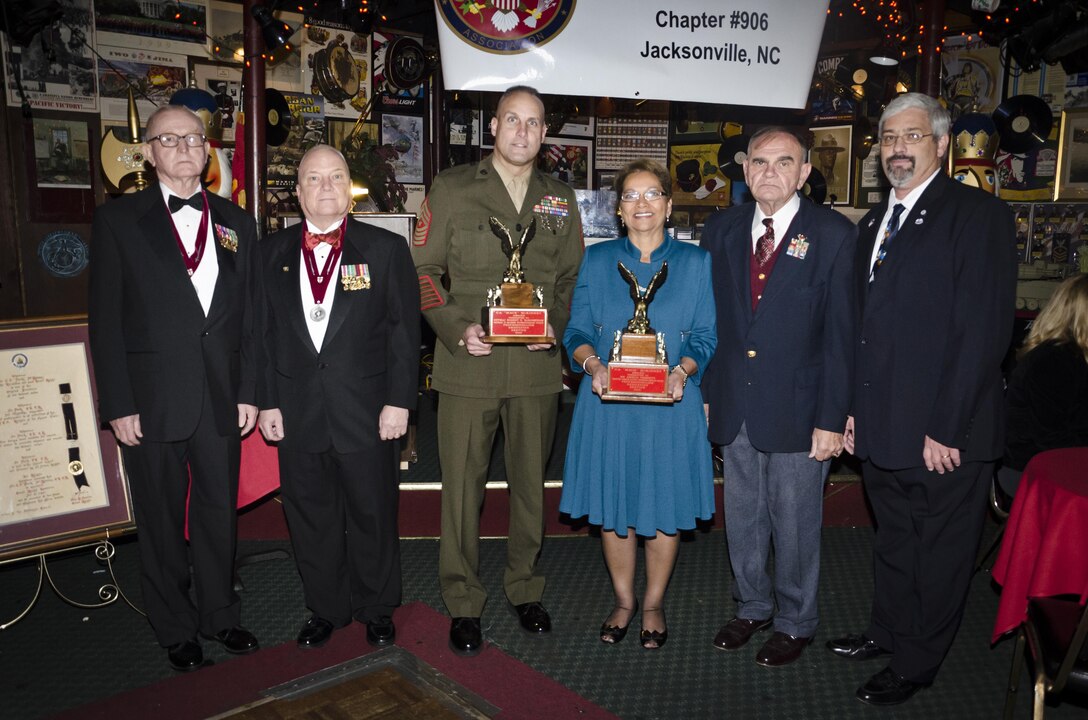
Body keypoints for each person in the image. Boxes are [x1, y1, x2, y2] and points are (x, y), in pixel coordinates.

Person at [831, 92, 1018, 705]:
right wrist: (851, 412)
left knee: (939, 553)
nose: (897, 149)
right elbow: (865, 329)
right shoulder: (874, 225)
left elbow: (982, 332)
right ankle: (886, 632)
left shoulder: (977, 216)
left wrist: (948, 427)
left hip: (945, 434)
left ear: (940, 144)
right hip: (882, 425)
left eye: (911, 137)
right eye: (888, 139)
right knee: (893, 538)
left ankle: (917, 663)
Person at [412, 85, 583, 656]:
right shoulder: (454, 188)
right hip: (469, 366)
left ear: (543, 133)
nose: (522, 132)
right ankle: (463, 598)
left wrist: (555, 325)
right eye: (513, 120)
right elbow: (424, 272)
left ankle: (524, 586)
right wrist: (458, 328)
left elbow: (569, 282)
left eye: (534, 123)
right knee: (461, 489)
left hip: (535, 370)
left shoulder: (560, 199)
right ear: (493, 127)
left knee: (531, 487)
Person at [88, 105, 260, 671]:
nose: (185, 147)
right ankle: (174, 627)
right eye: (170, 139)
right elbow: (105, 322)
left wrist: (249, 390)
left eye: (194, 138)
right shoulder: (118, 221)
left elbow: (250, 319)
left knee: (217, 514)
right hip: (151, 400)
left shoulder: (237, 222)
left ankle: (221, 616)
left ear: (208, 150)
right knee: (160, 522)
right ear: (148, 151)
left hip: (221, 397)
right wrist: (118, 404)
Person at [700, 127, 857, 667]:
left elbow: (842, 335)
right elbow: (710, 323)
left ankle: (795, 620)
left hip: (802, 407)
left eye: (783, 162)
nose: (769, 172)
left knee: (793, 521)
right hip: (735, 402)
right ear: (744, 171)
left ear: (805, 172)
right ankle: (752, 606)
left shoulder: (834, 234)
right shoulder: (718, 230)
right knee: (741, 514)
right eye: (759, 162)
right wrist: (705, 392)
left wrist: (833, 416)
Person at [256, 144, 420, 650]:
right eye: (314, 178)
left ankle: (376, 607)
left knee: (373, 512)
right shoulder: (269, 254)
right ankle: (326, 607)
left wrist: (400, 401)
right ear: (298, 191)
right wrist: (266, 402)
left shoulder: (385, 249)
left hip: (368, 412)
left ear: (349, 188)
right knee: (310, 517)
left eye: (336, 177)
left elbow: (403, 331)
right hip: (297, 410)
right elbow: (259, 337)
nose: (326, 186)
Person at [560, 159, 717, 650]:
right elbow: (577, 332)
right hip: (608, 403)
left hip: (671, 404)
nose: (642, 203)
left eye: (652, 194)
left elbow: (707, 336)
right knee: (615, 505)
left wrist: (683, 371)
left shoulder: (696, 263)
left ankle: (653, 603)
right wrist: (592, 366)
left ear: (669, 206)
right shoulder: (597, 259)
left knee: (662, 503)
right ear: (619, 210)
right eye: (631, 195)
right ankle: (624, 600)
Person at [999, 273, 1088, 496]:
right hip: (1031, 467)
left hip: (1058, 459)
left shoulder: (1071, 356)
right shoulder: (1053, 360)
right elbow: (1051, 436)